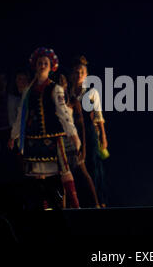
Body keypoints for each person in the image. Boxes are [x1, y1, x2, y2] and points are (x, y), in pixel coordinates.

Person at [9, 47, 82, 210]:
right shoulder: (28, 90)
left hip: (54, 137)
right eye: (40, 63)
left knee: (64, 171)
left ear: (51, 67)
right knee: (38, 175)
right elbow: (22, 114)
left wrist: (73, 135)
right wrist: (13, 136)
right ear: (35, 66)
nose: (42, 65)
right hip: (34, 139)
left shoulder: (55, 89)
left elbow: (64, 113)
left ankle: (74, 207)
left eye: (45, 63)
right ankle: (44, 208)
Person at [70, 55, 109, 207]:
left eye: (82, 72)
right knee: (77, 167)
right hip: (75, 133)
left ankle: (99, 201)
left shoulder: (92, 92)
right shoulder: (68, 93)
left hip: (90, 132)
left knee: (93, 165)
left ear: (86, 75)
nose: (79, 75)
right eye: (76, 72)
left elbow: (99, 116)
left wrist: (103, 138)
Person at [59, 73, 100, 208]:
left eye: (63, 81)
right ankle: (65, 208)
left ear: (66, 84)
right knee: (63, 176)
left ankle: (96, 204)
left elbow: (81, 125)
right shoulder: (54, 102)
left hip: (73, 142)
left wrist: (82, 147)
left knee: (84, 174)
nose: (61, 83)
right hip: (60, 143)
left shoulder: (73, 102)